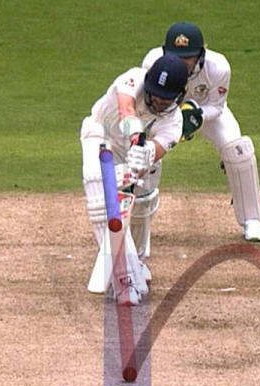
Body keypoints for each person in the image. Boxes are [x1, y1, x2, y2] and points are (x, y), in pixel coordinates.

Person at [142, 22, 260, 244]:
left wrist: (195, 114)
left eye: (187, 57)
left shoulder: (218, 67)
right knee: (145, 153)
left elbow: (217, 107)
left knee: (238, 149)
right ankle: (141, 221)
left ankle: (252, 219)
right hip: (164, 113)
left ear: (201, 54)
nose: (182, 63)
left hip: (204, 112)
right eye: (175, 56)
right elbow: (148, 99)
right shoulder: (153, 62)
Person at [81, 53, 189, 302]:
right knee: (98, 191)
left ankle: (137, 262)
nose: (158, 102)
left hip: (139, 152)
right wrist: (136, 136)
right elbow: (125, 108)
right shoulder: (132, 79)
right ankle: (125, 279)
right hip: (101, 134)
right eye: (155, 95)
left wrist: (145, 156)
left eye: (166, 99)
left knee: (141, 204)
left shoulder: (174, 123)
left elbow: (158, 150)